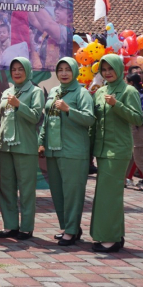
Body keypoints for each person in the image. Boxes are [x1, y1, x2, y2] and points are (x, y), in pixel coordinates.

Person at [90, 54, 143, 253]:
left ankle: (109, 238)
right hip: (102, 150)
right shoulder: (100, 91)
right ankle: (114, 235)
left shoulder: (129, 91)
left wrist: (117, 105)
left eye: (111, 68)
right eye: (104, 70)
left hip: (119, 149)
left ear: (120, 69)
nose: (107, 73)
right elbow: (94, 122)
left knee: (109, 195)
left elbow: (138, 119)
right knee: (105, 194)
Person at [41, 57, 95, 246]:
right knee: (57, 193)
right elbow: (47, 118)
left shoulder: (82, 93)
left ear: (75, 71)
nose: (64, 73)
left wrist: (68, 109)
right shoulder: (54, 91)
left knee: (73, 192)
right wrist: (41, 141)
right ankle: (68, 227)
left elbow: (89, 119)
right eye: (60, 70)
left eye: (68, 69)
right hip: (53, 150)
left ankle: (71, 231)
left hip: (73, 151)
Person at [0, 57, 44, 240]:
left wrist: (18, 105)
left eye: (20, 69)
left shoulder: (35, 92)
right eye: (14, 69)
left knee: (26, 189)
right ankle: (10, 226)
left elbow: (35, 116)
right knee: (6, 188)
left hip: (25, 147)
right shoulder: (7, 91)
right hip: (4, 147)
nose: (16, 72)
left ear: (28, 71)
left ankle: (26, 227)